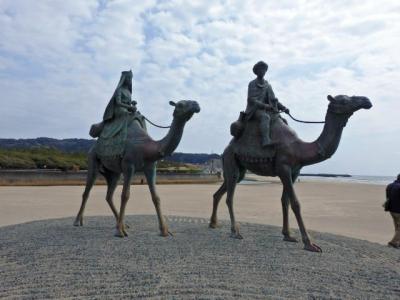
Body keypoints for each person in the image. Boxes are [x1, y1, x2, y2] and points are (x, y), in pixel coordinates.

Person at [96, 70, 141, 157]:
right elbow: (118, 102)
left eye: (130, 78)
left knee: (139, 116)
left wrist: (132, 105)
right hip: (119, 110)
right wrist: (129, 107)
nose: (129, 80)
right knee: (126, 114)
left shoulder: (128, 92)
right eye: (128, 78)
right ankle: (120, 139)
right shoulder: (119, 90)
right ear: (124, 79)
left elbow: (129, 103)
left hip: (127, 109)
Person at [244, 61, 289, 147]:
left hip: (269, 110)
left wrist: (283, 108)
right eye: (260, 69)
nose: (263, 71)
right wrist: (264, 106)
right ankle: (265, 140)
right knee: (265, 117)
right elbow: (251, 99)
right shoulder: (252, 84)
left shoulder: (268, 85)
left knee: (284, 121)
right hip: (254, 110)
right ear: (256, 71)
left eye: (264, 70)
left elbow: (273, 100)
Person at [385, 174, 400, 248]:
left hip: (391, 210)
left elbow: (388, 198)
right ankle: (393, 242)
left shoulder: (389, 185)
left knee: (397, 227)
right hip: (398, 210)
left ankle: (397, 242)